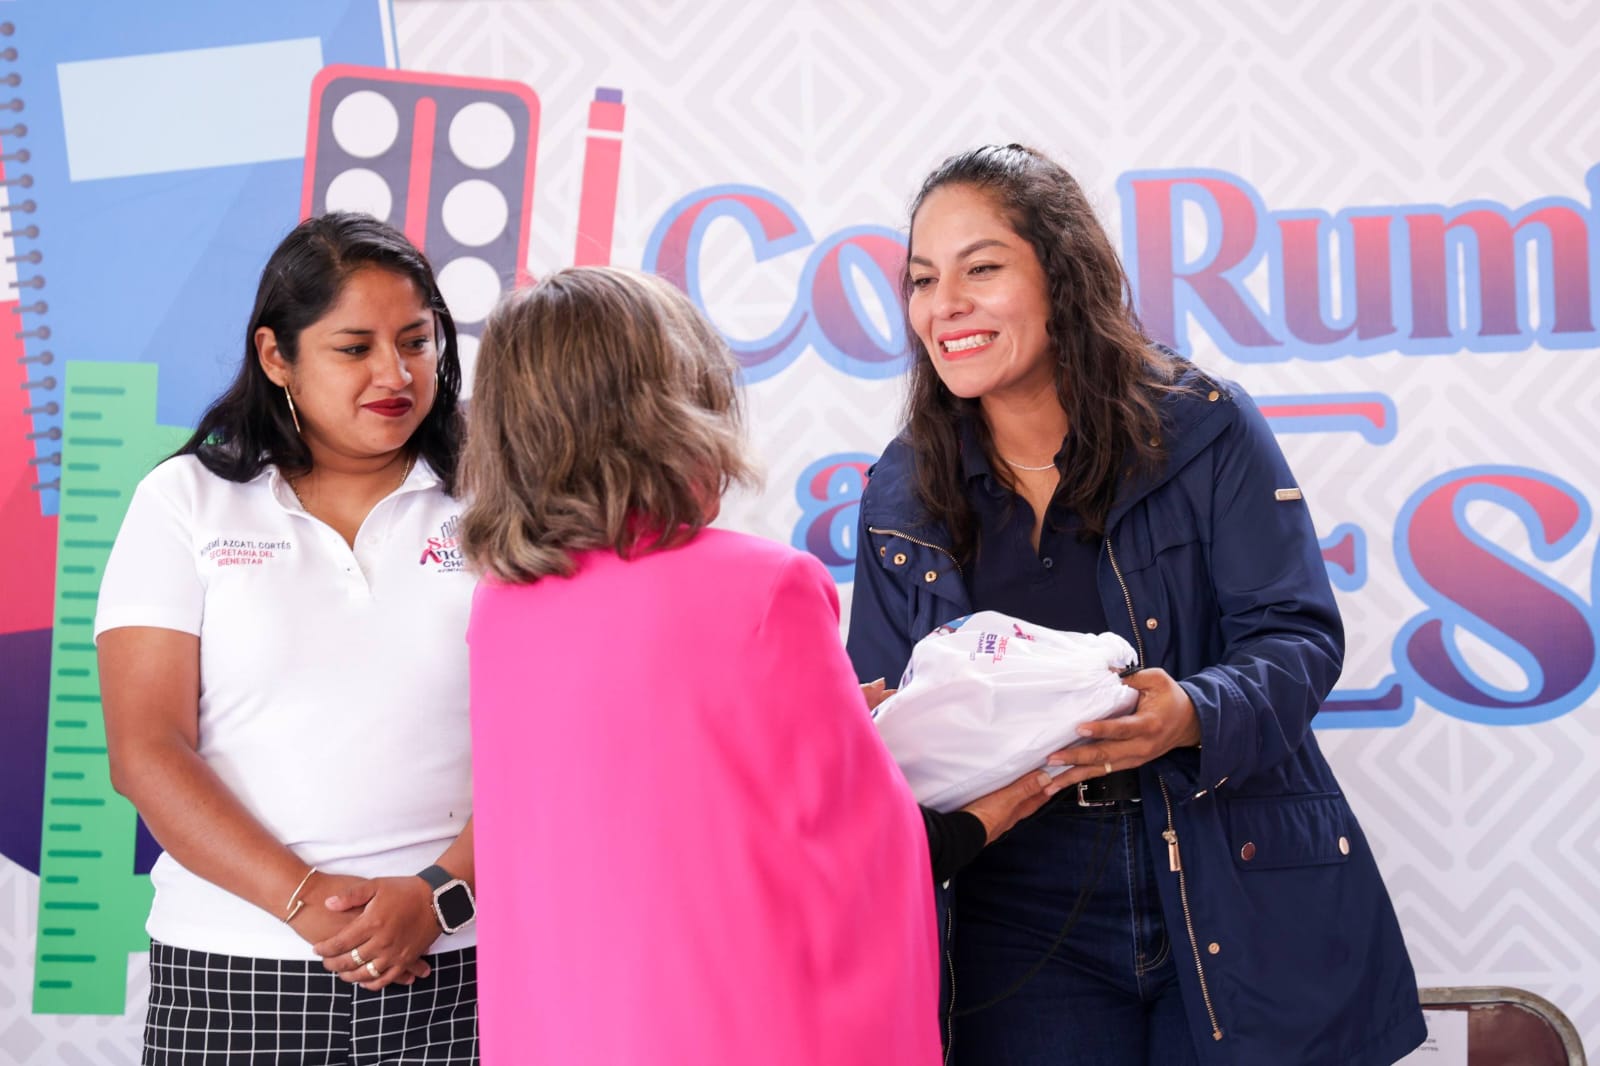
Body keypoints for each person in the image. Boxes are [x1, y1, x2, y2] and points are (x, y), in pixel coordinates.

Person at [846, 145, 1426, 1066]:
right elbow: (881, 717)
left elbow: (1297, 636)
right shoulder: (901, 490)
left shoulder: (1205, 427)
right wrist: (873, 724)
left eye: (982, 267)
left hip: (1219, 861)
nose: (943, 303)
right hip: (1012, 900)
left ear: (1064, 276)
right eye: (922, 279)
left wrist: (1192, 712)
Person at [460, 266, 941, 1065]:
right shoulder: (767, 586)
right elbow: (856, 851)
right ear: (669, 410)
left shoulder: (500, 607)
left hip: (557, 1032)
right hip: (739, 1028)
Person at [97, 213, 480, 1064]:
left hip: (465, 963)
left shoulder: (500, 500)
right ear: (277, 357)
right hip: (234, 966)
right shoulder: (183, 502)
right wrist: (301, 900)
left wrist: (438, 898)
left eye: (416, 341)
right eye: (355, 349)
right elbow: (147, 748)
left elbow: (551, 737)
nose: (396, 374)